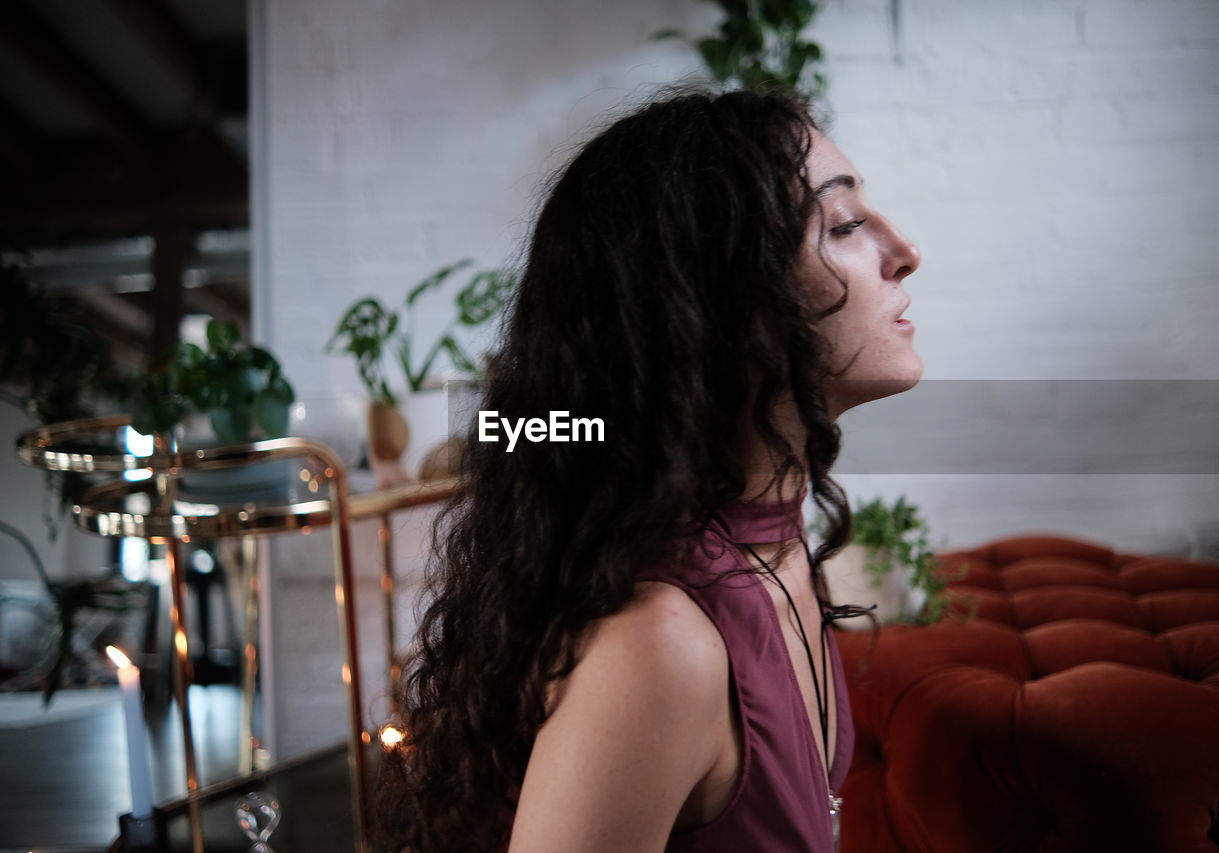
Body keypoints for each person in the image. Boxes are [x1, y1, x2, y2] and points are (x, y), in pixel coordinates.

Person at [376, 86, 923, 852]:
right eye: (844, 225)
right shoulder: (663, 647)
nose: (904, 253)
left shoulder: (778, 545)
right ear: (724, 302)